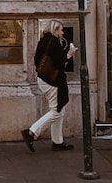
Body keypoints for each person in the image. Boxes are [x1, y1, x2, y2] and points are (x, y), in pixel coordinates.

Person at [22, 20, 76, 152]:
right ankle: (31, 132)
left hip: (44, 78)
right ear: (55, 30)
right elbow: (59, 62)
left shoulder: (43, 41)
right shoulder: (54, 42)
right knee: (57, 111)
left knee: (59, 110)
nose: (62, 33)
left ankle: (58, 142)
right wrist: (70, 54)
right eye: (61, 30)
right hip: (53, 81)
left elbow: (37, 60)